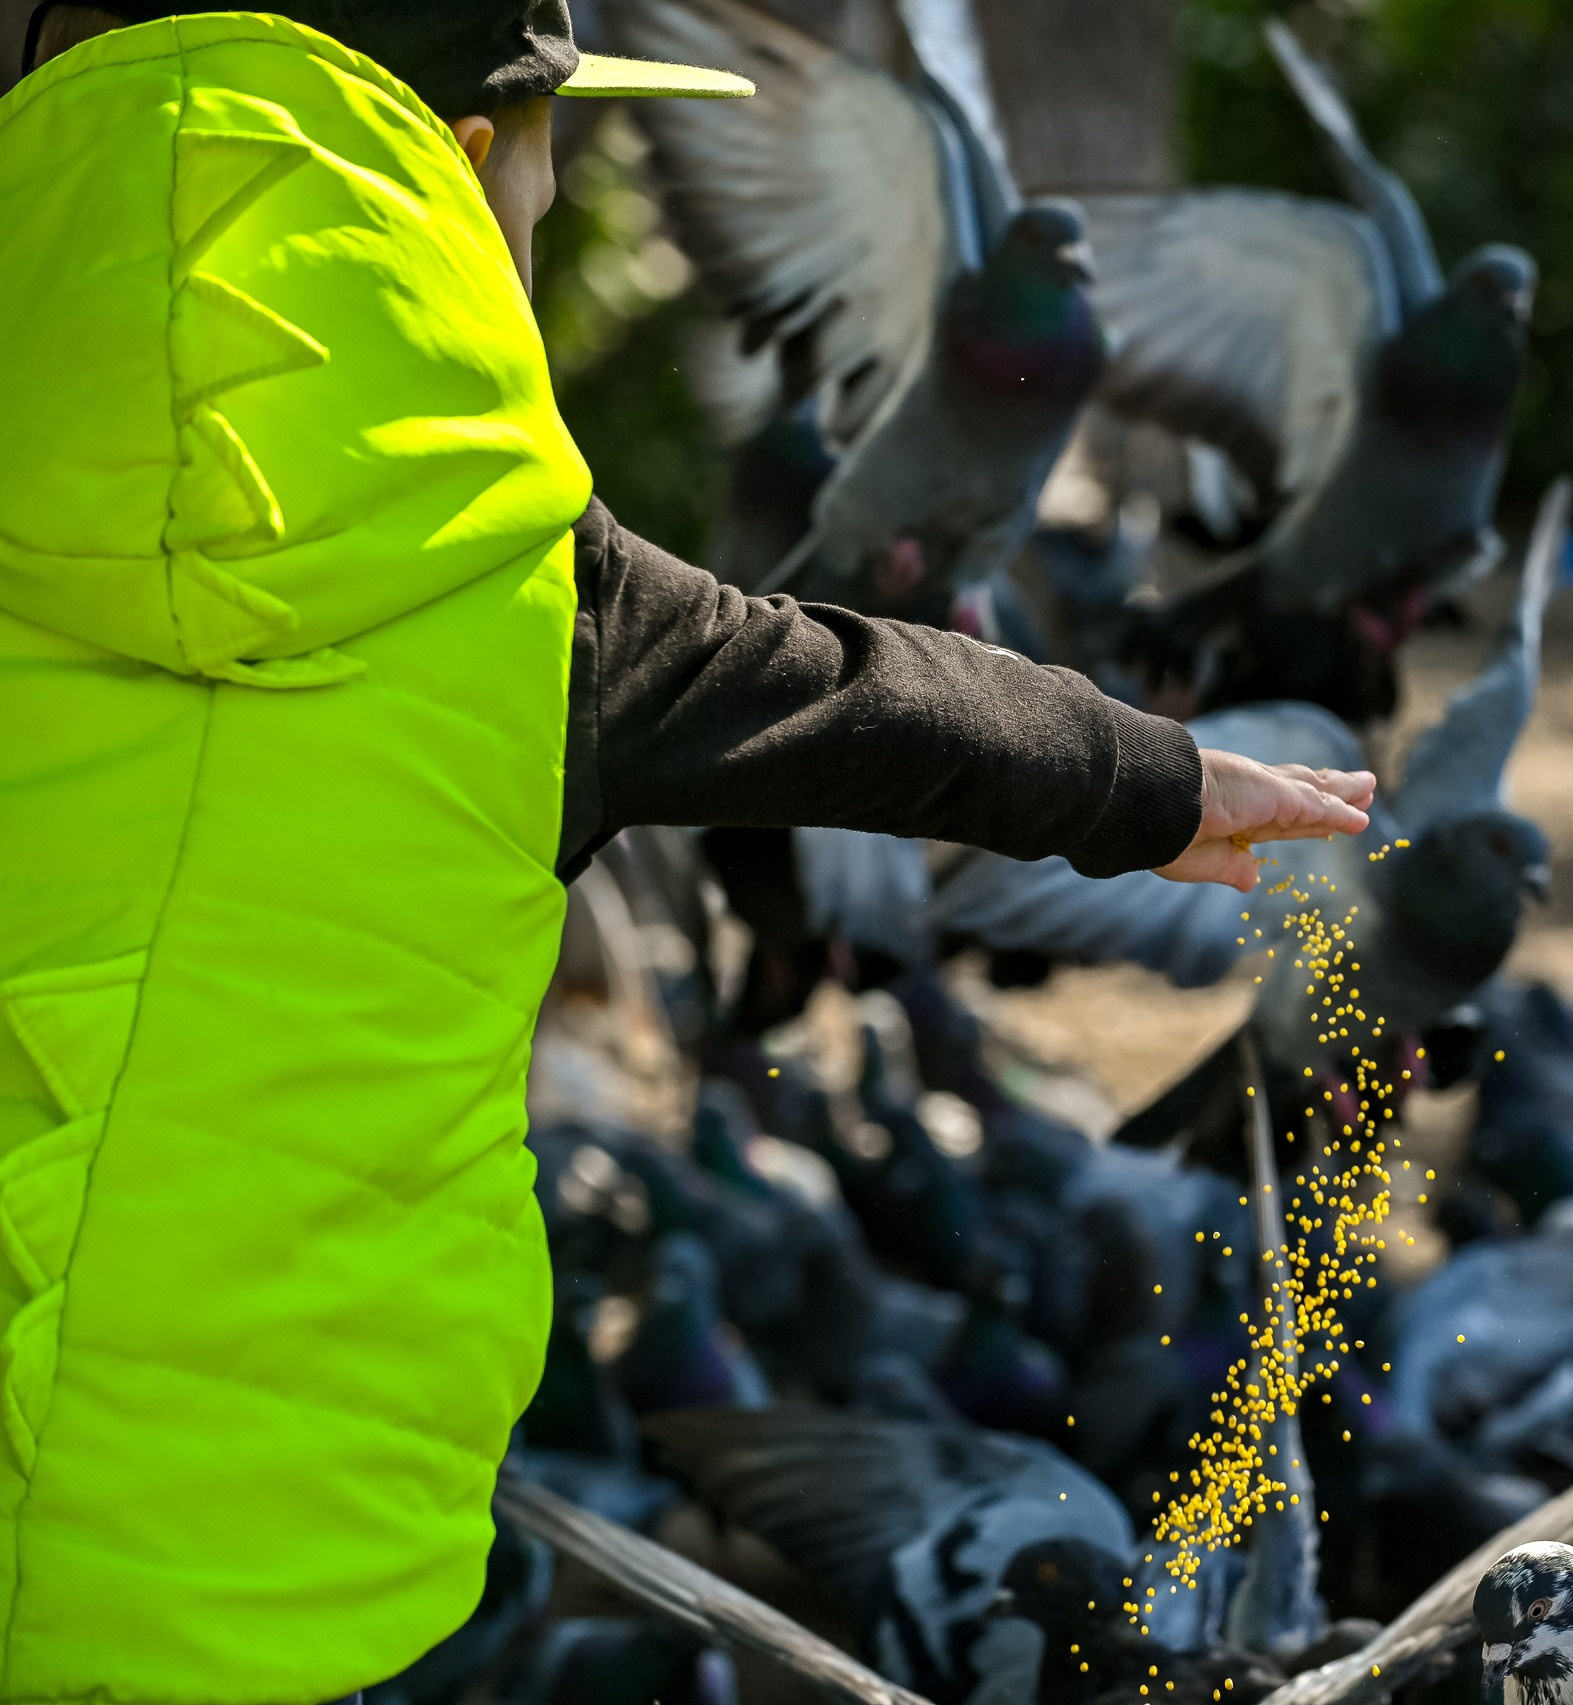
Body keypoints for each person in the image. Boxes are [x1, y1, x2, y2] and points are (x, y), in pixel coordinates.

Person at [0, 4, 1372, 1697]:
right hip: (256, 1561)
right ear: (463, 162)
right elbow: (863, 697)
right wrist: (1155, 783)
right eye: (548, 181)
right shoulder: (515, 586)